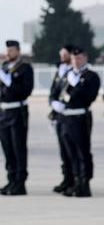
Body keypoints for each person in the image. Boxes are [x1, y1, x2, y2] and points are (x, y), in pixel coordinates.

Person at [52, 46, 100, 197]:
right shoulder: (69, 74)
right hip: (66, 118)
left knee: (82, 151)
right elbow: (58, 92)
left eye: (78, 58)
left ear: (85, 58)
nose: (76, 62)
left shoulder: (91, 76)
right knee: (70, 152)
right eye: (73, 59)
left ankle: (84, 184)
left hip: (80, 117)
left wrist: (75, 86)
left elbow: (87, 97)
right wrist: (55, 103)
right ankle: (76, 181)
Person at [0, 39, 34, 195]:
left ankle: (20, 182)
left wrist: (10, 83)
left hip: (17, 112)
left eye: (11, 50)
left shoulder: (25, 68)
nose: (7, 53)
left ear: (18, 51)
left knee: (18, 148)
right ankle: (11, 179)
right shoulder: (4, 68)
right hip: (4, 113)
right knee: (7, 148)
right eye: (7, 50)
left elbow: (26, 91)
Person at [49, 46, 74, 193]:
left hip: (71, 115)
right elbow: (54, 90)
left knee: (72, 151)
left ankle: (75, 179)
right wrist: (52, 103)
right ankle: (67, 178)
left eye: (64, 54)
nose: (61, 57)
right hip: (59, 115)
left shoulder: (74, 72)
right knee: (63, 150)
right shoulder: (60, 71)